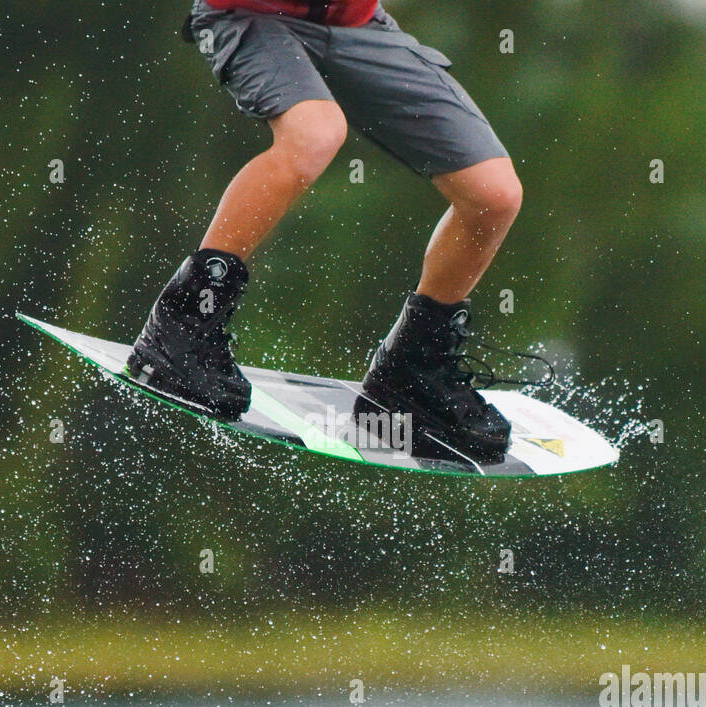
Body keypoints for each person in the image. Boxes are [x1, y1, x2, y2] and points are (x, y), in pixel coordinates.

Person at [128, 0, 524, 458]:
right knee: (314, 134)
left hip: (358, 27)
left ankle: (411, 374)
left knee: (494, 195)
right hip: (246, 16)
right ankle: (182, 326)